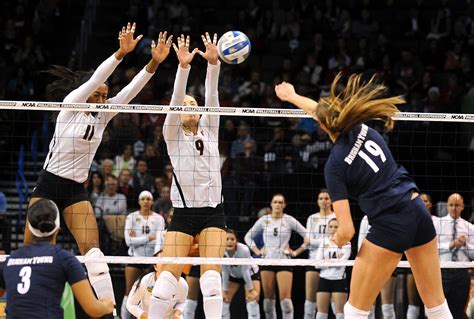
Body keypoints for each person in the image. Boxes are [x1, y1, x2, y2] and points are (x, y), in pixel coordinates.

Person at [275, 73, 452, 319]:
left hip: (390, 224)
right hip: (417, 211)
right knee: (436, 306)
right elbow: (326, 113)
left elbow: (347, 231)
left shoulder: (334, 166)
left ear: (323, 126)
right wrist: (293, 97)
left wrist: (335, 240)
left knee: (354, 311)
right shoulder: (364, 129)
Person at [25, 22, 173, 312]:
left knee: (94, 254)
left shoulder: (103, 116)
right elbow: (97, 79)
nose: (104, 100)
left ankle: (111, 311)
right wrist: (120, 53)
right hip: (49, 185)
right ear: (87, 92)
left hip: (74, 190)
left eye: (106, 96)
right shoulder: (71, 105)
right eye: (99, 94)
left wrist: (153, 63)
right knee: (30, 250)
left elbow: (130, 92)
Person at [148, 33, 227, 319]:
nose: (189, 107)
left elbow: (213, 97)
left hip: (213, 213)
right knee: (166, 280)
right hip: (183, 213)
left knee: (211, 279)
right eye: (185, 105)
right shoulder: (172, 135)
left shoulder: (211, 129)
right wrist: (183, 68)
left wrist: (214, 64)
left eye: (194, 104)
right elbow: (175, 102)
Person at [0, 199, 114, 317]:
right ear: (57, 228)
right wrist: (107, 304)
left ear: (29, 228)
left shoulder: (10, 260)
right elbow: (93, 309)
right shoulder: (64, 259)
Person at [244, 193, 308, 319]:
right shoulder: (264, 220)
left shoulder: (288, 220)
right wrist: (257, 251)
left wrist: (295, 252)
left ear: (284, 205)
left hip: (284, 261)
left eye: (280, 202)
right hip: (267, 262)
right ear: (271, 204)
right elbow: (248, 236)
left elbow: (307, 236)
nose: (278, 204)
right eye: (275, 202)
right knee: (268, 301)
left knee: (285, 301)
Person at [122, 190, 165, 319]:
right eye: (143, 199)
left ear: (152, 201)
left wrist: (154, 258)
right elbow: (128, 241)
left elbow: (159, 241)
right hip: (135, 259)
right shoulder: (131, 217)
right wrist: (148, 238)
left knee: (153, 293)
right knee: (129, 292)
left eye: (148, 199)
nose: (146, 201)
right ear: (139, 201)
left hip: (152, 261)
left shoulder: (159, 218)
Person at [434, 193, 473, 319]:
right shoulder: (438, 224)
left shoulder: (469, 227)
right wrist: (451, 245)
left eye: (457, 205)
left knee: (458, 311)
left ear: (462, 207)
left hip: (461, 273)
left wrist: (465, 244)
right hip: (442, 271)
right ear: (447, 206)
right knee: (439, 310)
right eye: (451, 205)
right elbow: (432, 249)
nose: (453, 208)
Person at [358, 215, 397, 319]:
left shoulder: (393, 216)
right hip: (369, 264)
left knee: (387, 306)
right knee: (368, 305)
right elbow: (360, 242)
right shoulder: (366, 217)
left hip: (387, 263)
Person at [305, 189, 335, 319]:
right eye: (321, 198)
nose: (324, 201)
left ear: (332, 201)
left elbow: (338, 240)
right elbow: (308, 242)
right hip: (314, 260)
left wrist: (316, 241)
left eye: (327, 198)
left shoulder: (336, 217)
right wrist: (327, 241)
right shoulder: (312, 218)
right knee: (310, 299)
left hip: (333, 262)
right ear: (317, 201)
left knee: (334, 301)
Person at [315, 218, 351, 319]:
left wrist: (326, 260)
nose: (333, 229)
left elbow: (341, 263)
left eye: (336, 227)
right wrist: (334, 260)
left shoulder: (346, 243)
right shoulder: (324, 242)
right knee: (321, 314)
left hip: (338, 280)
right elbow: (317, 264)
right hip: (324, 279)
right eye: (331, 226)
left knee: (340, 315)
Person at [222, 229, 261, 319]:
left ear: (236, 241)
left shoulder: (244, 250)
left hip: (250, 274)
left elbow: (245, 271)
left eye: (232, 239)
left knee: (252, 301)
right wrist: (224, 290)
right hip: (233, 275)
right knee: (224, 300)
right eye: (227, 239)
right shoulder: (221, 250)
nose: (229, 242)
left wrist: (251, 290)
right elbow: (224, 271)